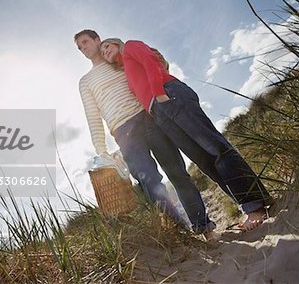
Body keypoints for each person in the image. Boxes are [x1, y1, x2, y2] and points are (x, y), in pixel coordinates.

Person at [100, 38, 274, 231]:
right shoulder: (126, 71)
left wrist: (159, 94)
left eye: (107, 45)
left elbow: (151, 61)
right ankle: (248, 205)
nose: (105, 50)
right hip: (160, 113)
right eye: (102, 51)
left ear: (117, 43)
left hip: (169, 96)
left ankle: (256, 205)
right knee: (205, 161)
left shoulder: (131, 46)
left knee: (214, 148)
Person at [74, 30, 218, 240]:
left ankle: (204, 227)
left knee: (177, 172)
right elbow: (92, 114)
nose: (83, 48)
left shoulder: (119, 61)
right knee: (149, 183)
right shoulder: (85, 81)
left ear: (98, 40)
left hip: (149, 117)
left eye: (85, 42)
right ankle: (180, 234)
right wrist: (101, 150)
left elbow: (152, 65)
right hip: (123, 132)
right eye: (79, 47)